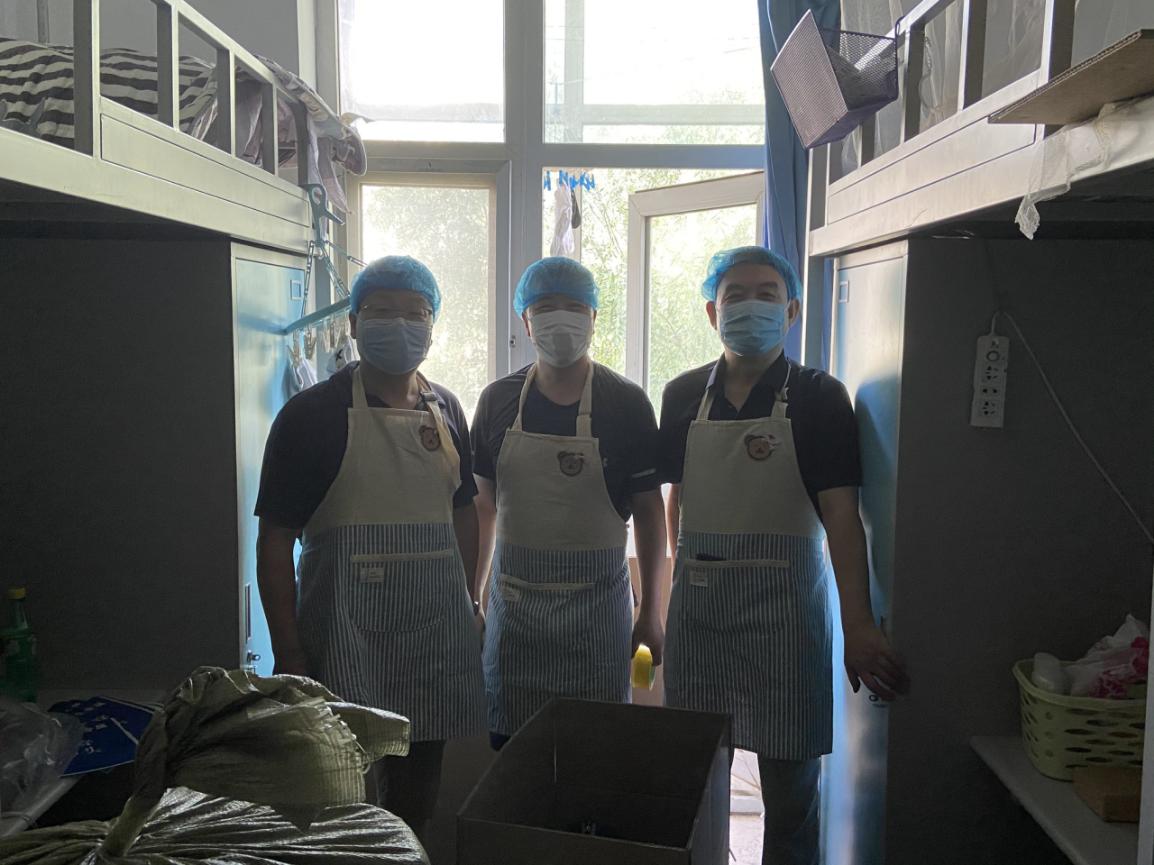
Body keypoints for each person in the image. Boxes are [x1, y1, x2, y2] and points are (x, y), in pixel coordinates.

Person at [658, 246, 909, 865]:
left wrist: (858, 625)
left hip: (786, 619)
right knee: (693, 788)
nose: (751, 305)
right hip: (700, 618)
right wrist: (674, 586)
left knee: (791, 796)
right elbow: (677, 497)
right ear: (713, 312)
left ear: (791, 310)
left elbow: (843, 518)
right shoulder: (682, 395)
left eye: (766, 294)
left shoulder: (820, 397)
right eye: (736, 295)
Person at [254, 255, 485, 841]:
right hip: (342, 640)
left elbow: (464, 512)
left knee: (416, 799)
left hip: (432, 640)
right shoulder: (310, 416)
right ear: (354, 323)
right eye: (383, 311)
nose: (401, 325)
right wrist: (288, 649)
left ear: (432, 326)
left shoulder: (447, 410)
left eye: (416, 313)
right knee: (340, 804)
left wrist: (470, 599)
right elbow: (275, 541)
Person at [471, 257, 668, 748]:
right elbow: (483, 509)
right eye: (545, 307)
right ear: (525, 321)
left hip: (597, 616)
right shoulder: (496, 401)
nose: (560, 319)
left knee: (595, 752)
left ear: (594, 317)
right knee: (514, 755)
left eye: (574, 307)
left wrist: (651, 612)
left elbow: (649, 512)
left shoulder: (626, 403)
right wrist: (471, 596)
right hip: (515, 616)